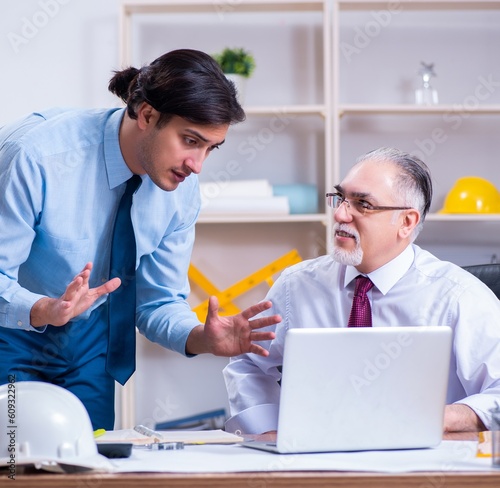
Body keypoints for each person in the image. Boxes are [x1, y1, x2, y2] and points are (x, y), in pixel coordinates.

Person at [0, 48, 279, 430]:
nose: (197, 165)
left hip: (90, 337)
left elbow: (157, 301)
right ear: (147, 115)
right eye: (190, 140)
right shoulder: (37, 157)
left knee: (89, 455)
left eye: (210, 148)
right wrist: (44, 309)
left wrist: (202, 338)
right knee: (13, 455)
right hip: (11, 329)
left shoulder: (181, 191)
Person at [223, 147, 500, 435]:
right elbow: (248, 362)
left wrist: (441, 417)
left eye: (363, 204)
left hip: (418, 454)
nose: (340, 214)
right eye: (341, 198)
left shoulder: (458, 297)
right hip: (315, 453)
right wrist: (268, 430)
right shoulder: (297, 285)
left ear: (406, 222)